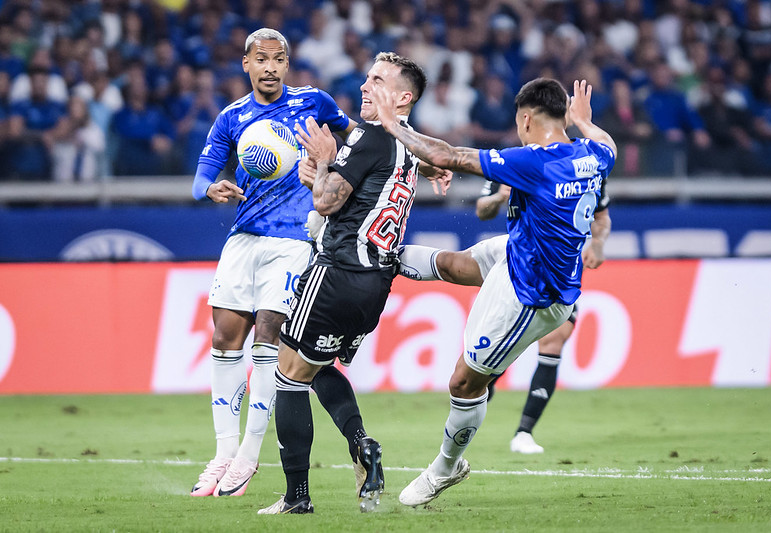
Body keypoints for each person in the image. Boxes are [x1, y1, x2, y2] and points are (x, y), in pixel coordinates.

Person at [371, 77, 616, 506]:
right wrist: (585, 123)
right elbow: (607, 141)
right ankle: (377, 255)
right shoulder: (594, 153)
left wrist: (394, 123)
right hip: (521, 253)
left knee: (465, 383)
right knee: (454, 263)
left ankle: (446, 467)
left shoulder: (534, 161)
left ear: (525, 119)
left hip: (534, 294)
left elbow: (446, 155)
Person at [257, 51, 449, 515]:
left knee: (288, 375)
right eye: (366, 77)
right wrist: (321, 178)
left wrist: (321, 165)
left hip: (337, 272)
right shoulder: (410, 145)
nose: (364, 86)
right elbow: (357, 194)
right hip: (375, 284)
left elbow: (326, 203)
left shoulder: (368, 136)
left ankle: (296, 498)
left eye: (377, 80)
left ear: (402, 98)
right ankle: (362, 446)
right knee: (318, 365)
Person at [189, 28, 357, 499]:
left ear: (288, 64)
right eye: (261, 59)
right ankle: (223, 453)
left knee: (268, 335)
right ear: (246, 64)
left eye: (278, 59)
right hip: (244, 238)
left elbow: (356, 141)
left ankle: (248, 454)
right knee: (225, 338)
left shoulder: (314, 102)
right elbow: (201, 174)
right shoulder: (231, 117)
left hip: (293, 240)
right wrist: (209, 188)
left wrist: (334, 170)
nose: (270, 67)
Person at [398, 177, 610, 455]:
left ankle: (524, 432)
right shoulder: (510, 164)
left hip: (558, 276)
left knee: (554, 340)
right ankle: (475, 403)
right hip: (513, 270)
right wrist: (499, 197)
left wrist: (598, 243)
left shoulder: (583, 166)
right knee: (488, 363)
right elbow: (482, 211)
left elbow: (602, 215)